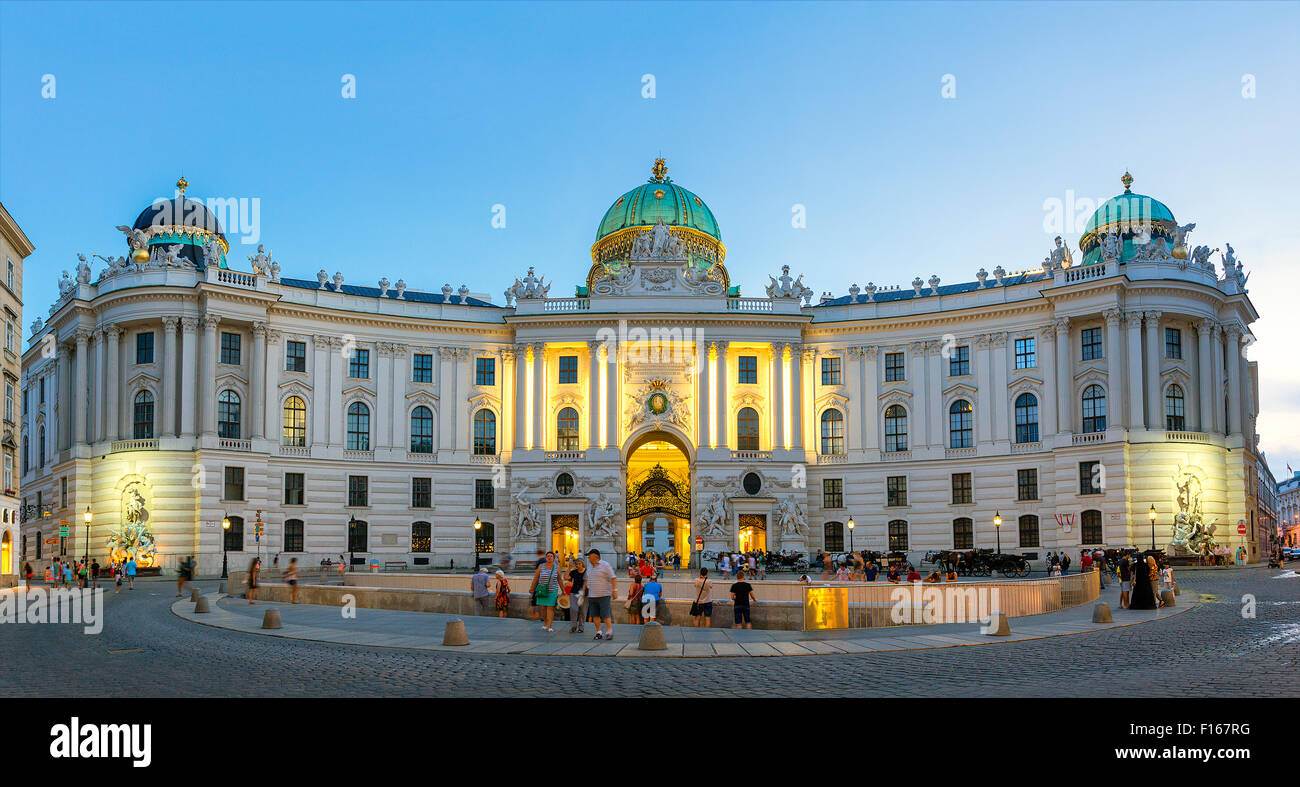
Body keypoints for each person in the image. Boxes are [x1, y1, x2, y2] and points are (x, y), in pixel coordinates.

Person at [584, 548, 617, 641]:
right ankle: (599, 632)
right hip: (592, 594)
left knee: (605, 614)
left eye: (589, 556)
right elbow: (587, 579)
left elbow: (613, 577)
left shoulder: (605, 565)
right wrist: (584, 590)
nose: (588, 558)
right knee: (595, 615)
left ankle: (609, 631)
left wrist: (614, 590)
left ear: (595, 556)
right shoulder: (589, 567)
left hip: (604, 594)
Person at [529, 551, 562, 632]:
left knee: (550, 608)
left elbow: (560, 579)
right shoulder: (541, 566)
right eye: (548, 556)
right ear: (546, 558)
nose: (549, 558)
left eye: (551, 556)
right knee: (543, 608)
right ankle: (545, 623)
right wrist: (532, 588)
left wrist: (563, 590)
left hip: (553, 590)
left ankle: (550, 626)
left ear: (554, 558)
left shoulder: (557, 567)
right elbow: (536, 578)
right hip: (542, 590)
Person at [567, 557, 588, 633]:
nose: (578, 565)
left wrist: (582, 592)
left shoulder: (586, 572)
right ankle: (573, 626)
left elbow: (585, 583)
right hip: (574, 592)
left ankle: (581, 627)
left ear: (583, 564)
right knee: (573, 609)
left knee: (583, 610)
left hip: (583, 593)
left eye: (580, 564)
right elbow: (566, 577)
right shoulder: (574, 572)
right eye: (576, 564)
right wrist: (569, 567)